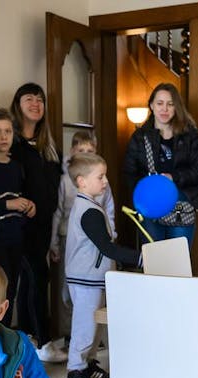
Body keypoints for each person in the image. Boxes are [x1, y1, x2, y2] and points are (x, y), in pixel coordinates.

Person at [64, 153, 141, 378]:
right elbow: (107, 247)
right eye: (100, 177)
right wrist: (139, 258)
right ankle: (74, 372)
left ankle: (87, 364)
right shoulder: (89, 211)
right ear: (81, 181)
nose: (105, 181)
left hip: (95, 277)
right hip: (85, 279)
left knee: (96, 325)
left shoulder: (91, 206)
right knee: (85, 326)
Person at [9, 82, 65, 363]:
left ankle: (30, 338)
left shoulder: (48, 146)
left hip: (45, 224)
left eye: (40, 99)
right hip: (20, 224)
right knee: (36, 279)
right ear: (17, 105)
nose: (35, 104)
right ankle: (43, 341)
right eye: (29, 99)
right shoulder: (12, 143)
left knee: (32, 282)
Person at [123, 82, 198, 248]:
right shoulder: (139, 137)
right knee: (155, 257)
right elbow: (130, 172)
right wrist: (141, 198)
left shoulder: (189, 135)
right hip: (150, 205)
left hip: (182, 204)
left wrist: (173, 177)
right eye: (160, 103)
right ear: (151, 105)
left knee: (178, 257)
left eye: (170, 104)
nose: (164, 109)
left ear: (176, 107)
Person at [51, 130, 115, 349]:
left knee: (96, 298)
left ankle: (92, 345)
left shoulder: (101, 185)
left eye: (90, 150)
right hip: (72, 240)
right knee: (71, 292)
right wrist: (53, 243)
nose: (86, 153)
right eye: (81, 150)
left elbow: (109, 212)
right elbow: (58, 213)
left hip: (97, 244)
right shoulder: (67, 183)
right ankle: (72, 338)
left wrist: (111, 235)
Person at [0, 109, 36, 322]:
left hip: (16, 236)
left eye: (8, 132)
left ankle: (7, 332)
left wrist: (29, 206)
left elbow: (19, 196)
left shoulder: (16, 166)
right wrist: (8, 204)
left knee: (11, 289)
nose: (3, 137)